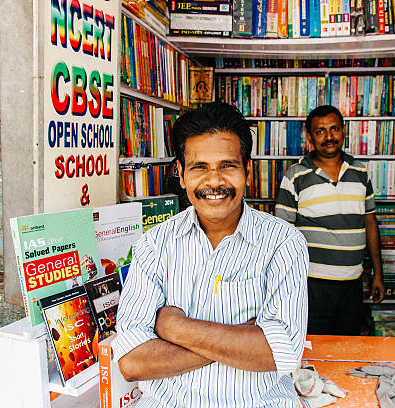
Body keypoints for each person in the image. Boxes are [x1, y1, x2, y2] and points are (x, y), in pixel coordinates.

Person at [113, 102, 309, 407]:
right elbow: (132, 362)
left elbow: (280, 352)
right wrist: (244, 340)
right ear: (180, 174)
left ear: (248, 171)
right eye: (199, 167)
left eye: (227, 166)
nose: (214, 181)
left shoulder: (284, 243)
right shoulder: (154, 246)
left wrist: (174, 328)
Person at [275, 104, 385, 336]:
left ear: (344, 131)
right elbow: (282, 235)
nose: (328, 137)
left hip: (352, 282)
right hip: (311, 284)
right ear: (309, 137)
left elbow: (370, 224)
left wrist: (378, 274)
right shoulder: (294, 175)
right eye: (320, 131)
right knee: (313, 349)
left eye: (334, 129)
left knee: (348, 347)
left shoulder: (360, 172)